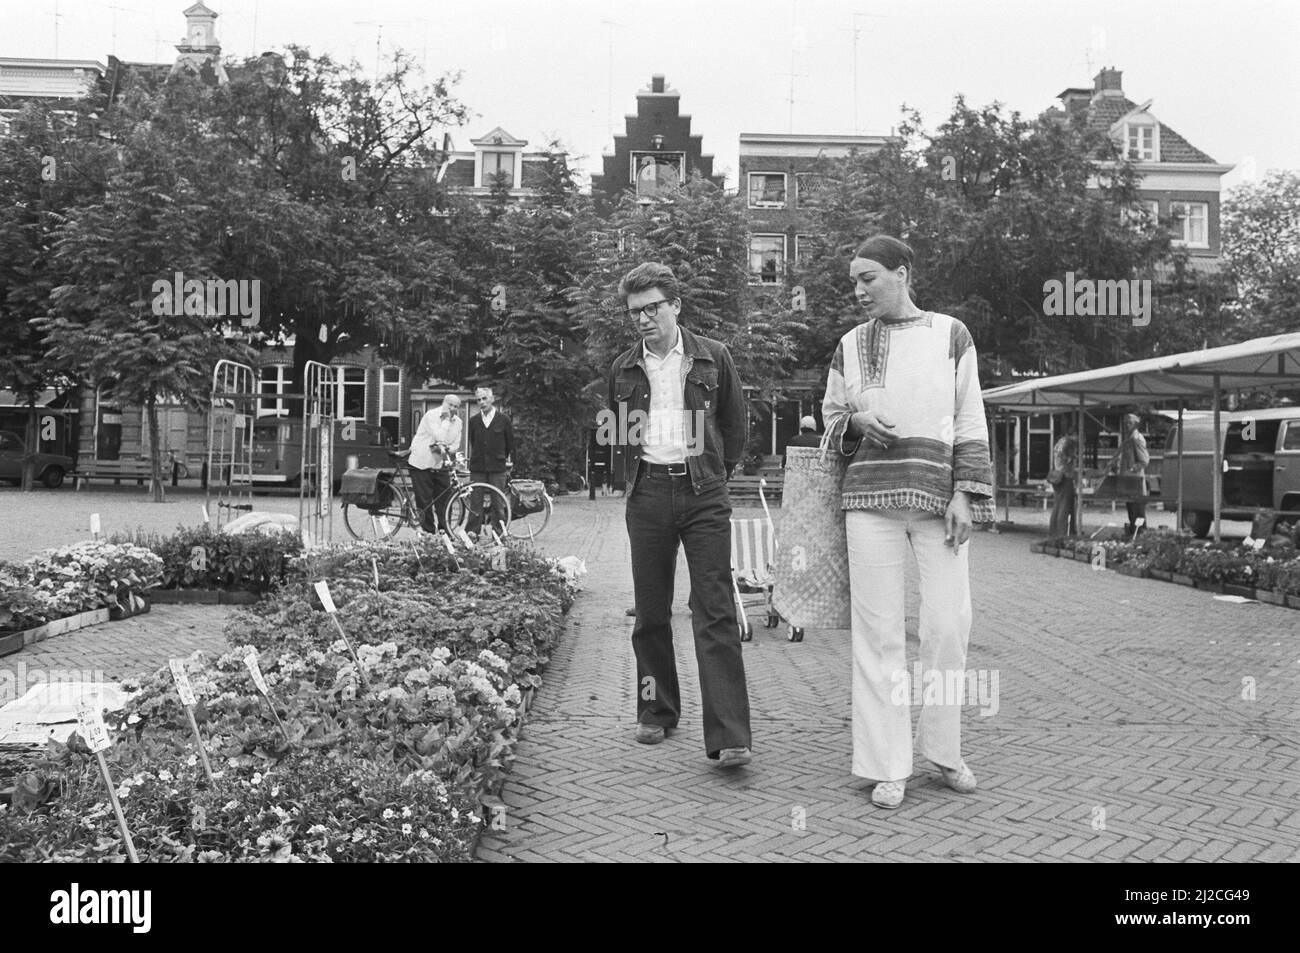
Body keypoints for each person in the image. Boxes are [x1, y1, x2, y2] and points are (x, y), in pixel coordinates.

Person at [822, 235, 996, 810]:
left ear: (901, 274)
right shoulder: (849, 344)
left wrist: (966, 494)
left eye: (868, 278)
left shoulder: (952, 333)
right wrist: (855, 424)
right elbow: (829, 419)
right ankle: (886, 765)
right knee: (879, 635)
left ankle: (944, 752)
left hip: (939, 502)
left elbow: (970, 415)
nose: (858, 290)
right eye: (854, 279)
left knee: (949, 625)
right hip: (868, 502)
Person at [606, 261, 752, 767]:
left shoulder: (714, 358)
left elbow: (735, 426)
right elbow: (621, 433)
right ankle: (655, 710)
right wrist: (634, 481)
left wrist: (715, 474)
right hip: (647, 495)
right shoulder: (625, 368)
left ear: (676, 306)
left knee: (713, 611)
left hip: (704, 495)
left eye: (653, 308)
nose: (644, 319)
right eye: (635, 312)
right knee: (650, 613)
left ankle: (730, 733)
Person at [408, 394, 463, 533]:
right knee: (424, 501)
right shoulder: (430, 415)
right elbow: (439, 436)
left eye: (456, 406)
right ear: (443, 403)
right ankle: (429, 535)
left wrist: (449, 448)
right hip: (422, 461)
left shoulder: (458, 422)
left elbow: (456, 443)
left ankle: (445, 532)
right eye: (450, 404)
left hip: (441, 462)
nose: (452, 408)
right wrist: (445, 420)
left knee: (445, 500)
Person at [467, 386, 513, 537]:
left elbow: (509, 444)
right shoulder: (473, 421)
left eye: (484, 398)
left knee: (498, 503)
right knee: (475, 502)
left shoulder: (503, 420)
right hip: (478, 467)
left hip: (497, 467)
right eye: (479, 399)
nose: (481, 402)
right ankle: (472, 534)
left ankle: (498, 534)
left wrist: (501, 458)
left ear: (492, 399)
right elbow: (473, 442)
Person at [1110, 413, 1149, 536]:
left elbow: (1144, 460)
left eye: (1130, 423)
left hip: (1135, 483)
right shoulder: (1128, 439)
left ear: (1136, 424)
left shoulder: (1136, 439)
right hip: (1128, 483)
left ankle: (1141, 539)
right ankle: (1134, 538)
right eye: (1125, 423)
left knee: (1138, 515)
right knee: (1132, 513)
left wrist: (1131, 470)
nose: (1126, 425)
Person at [1049, 426, 1079, 537]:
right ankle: (1062, 533)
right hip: (1066, 476)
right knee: (1065, 506)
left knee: (1058, 504)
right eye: (1079, 436)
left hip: (1057, 476)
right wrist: (1073, 458)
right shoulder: (1069, 443)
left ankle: (1054, 531)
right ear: (1074, 434)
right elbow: (1067, 458)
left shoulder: (1060, 442)